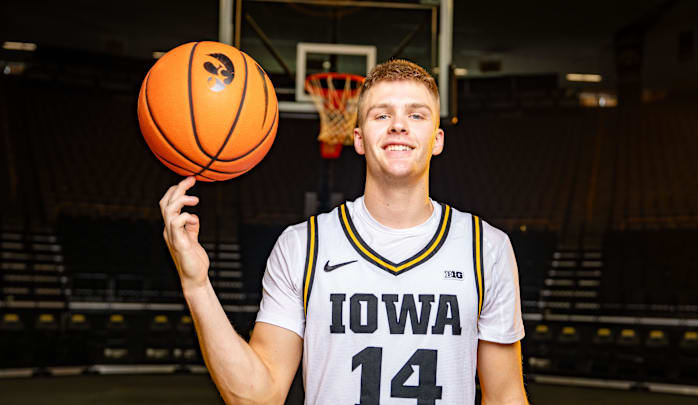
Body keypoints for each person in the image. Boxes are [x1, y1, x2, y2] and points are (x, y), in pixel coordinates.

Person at [160, 59, 528, 404]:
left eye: (416, 115)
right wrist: (196, 284)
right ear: (358, 138)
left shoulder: (486, 248)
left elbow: (506, 397)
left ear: (437, 139)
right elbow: (258, 396)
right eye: (381, 115)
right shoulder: (302, 247)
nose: (398, 125)